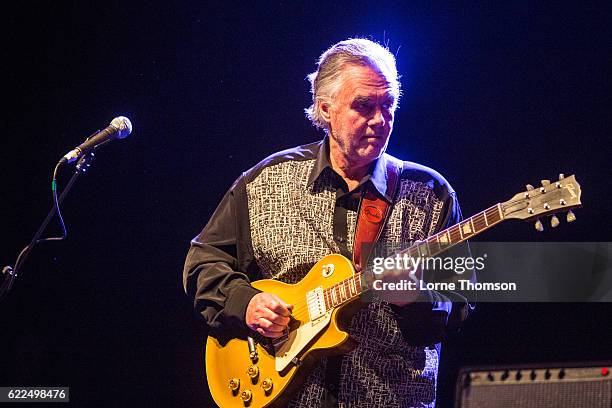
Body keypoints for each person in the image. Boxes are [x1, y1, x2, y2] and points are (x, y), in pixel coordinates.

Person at [183, 38, 474, 407]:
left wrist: (415, 299)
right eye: (363, 106)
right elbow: (204, 261)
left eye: (388, 106)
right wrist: (246, 303)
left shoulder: (430, 193)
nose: (379, 120)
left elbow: (462, 299)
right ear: (325, 109)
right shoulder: (265, 181)